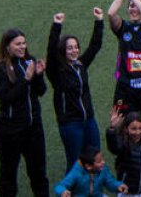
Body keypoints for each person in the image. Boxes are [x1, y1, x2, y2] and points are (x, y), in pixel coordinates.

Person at [0, 27, 49, 197]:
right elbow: (7, 97)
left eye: (24, 43)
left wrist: (38, 75)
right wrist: (26, 79)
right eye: (18, 44)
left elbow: (41, 91)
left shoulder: (29, 61)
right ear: (7, 46)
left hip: (33, 128)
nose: (23, 47)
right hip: (10, 130)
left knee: (39, 174)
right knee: (8, 175)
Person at [48, 9, 105, 172]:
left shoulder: (80, 65)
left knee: (95, 159)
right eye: (69, 48)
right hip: (71, 123)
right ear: (62, 51)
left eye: (76, 47)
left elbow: (95, 46)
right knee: (75, 163)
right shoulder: (56, 72)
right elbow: (51, 52)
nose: (74, 50)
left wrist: (99, 21)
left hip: (89, 120)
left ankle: (94, 190)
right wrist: (56, 25)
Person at [54, 146, 129, 197]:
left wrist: (118, 185)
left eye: (102, 159)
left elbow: (110, 181)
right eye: (99, 161)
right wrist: (63, 191)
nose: (103, 162)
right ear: (88, 166)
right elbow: (60, 186)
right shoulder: (76, 173)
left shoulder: (103, 169)